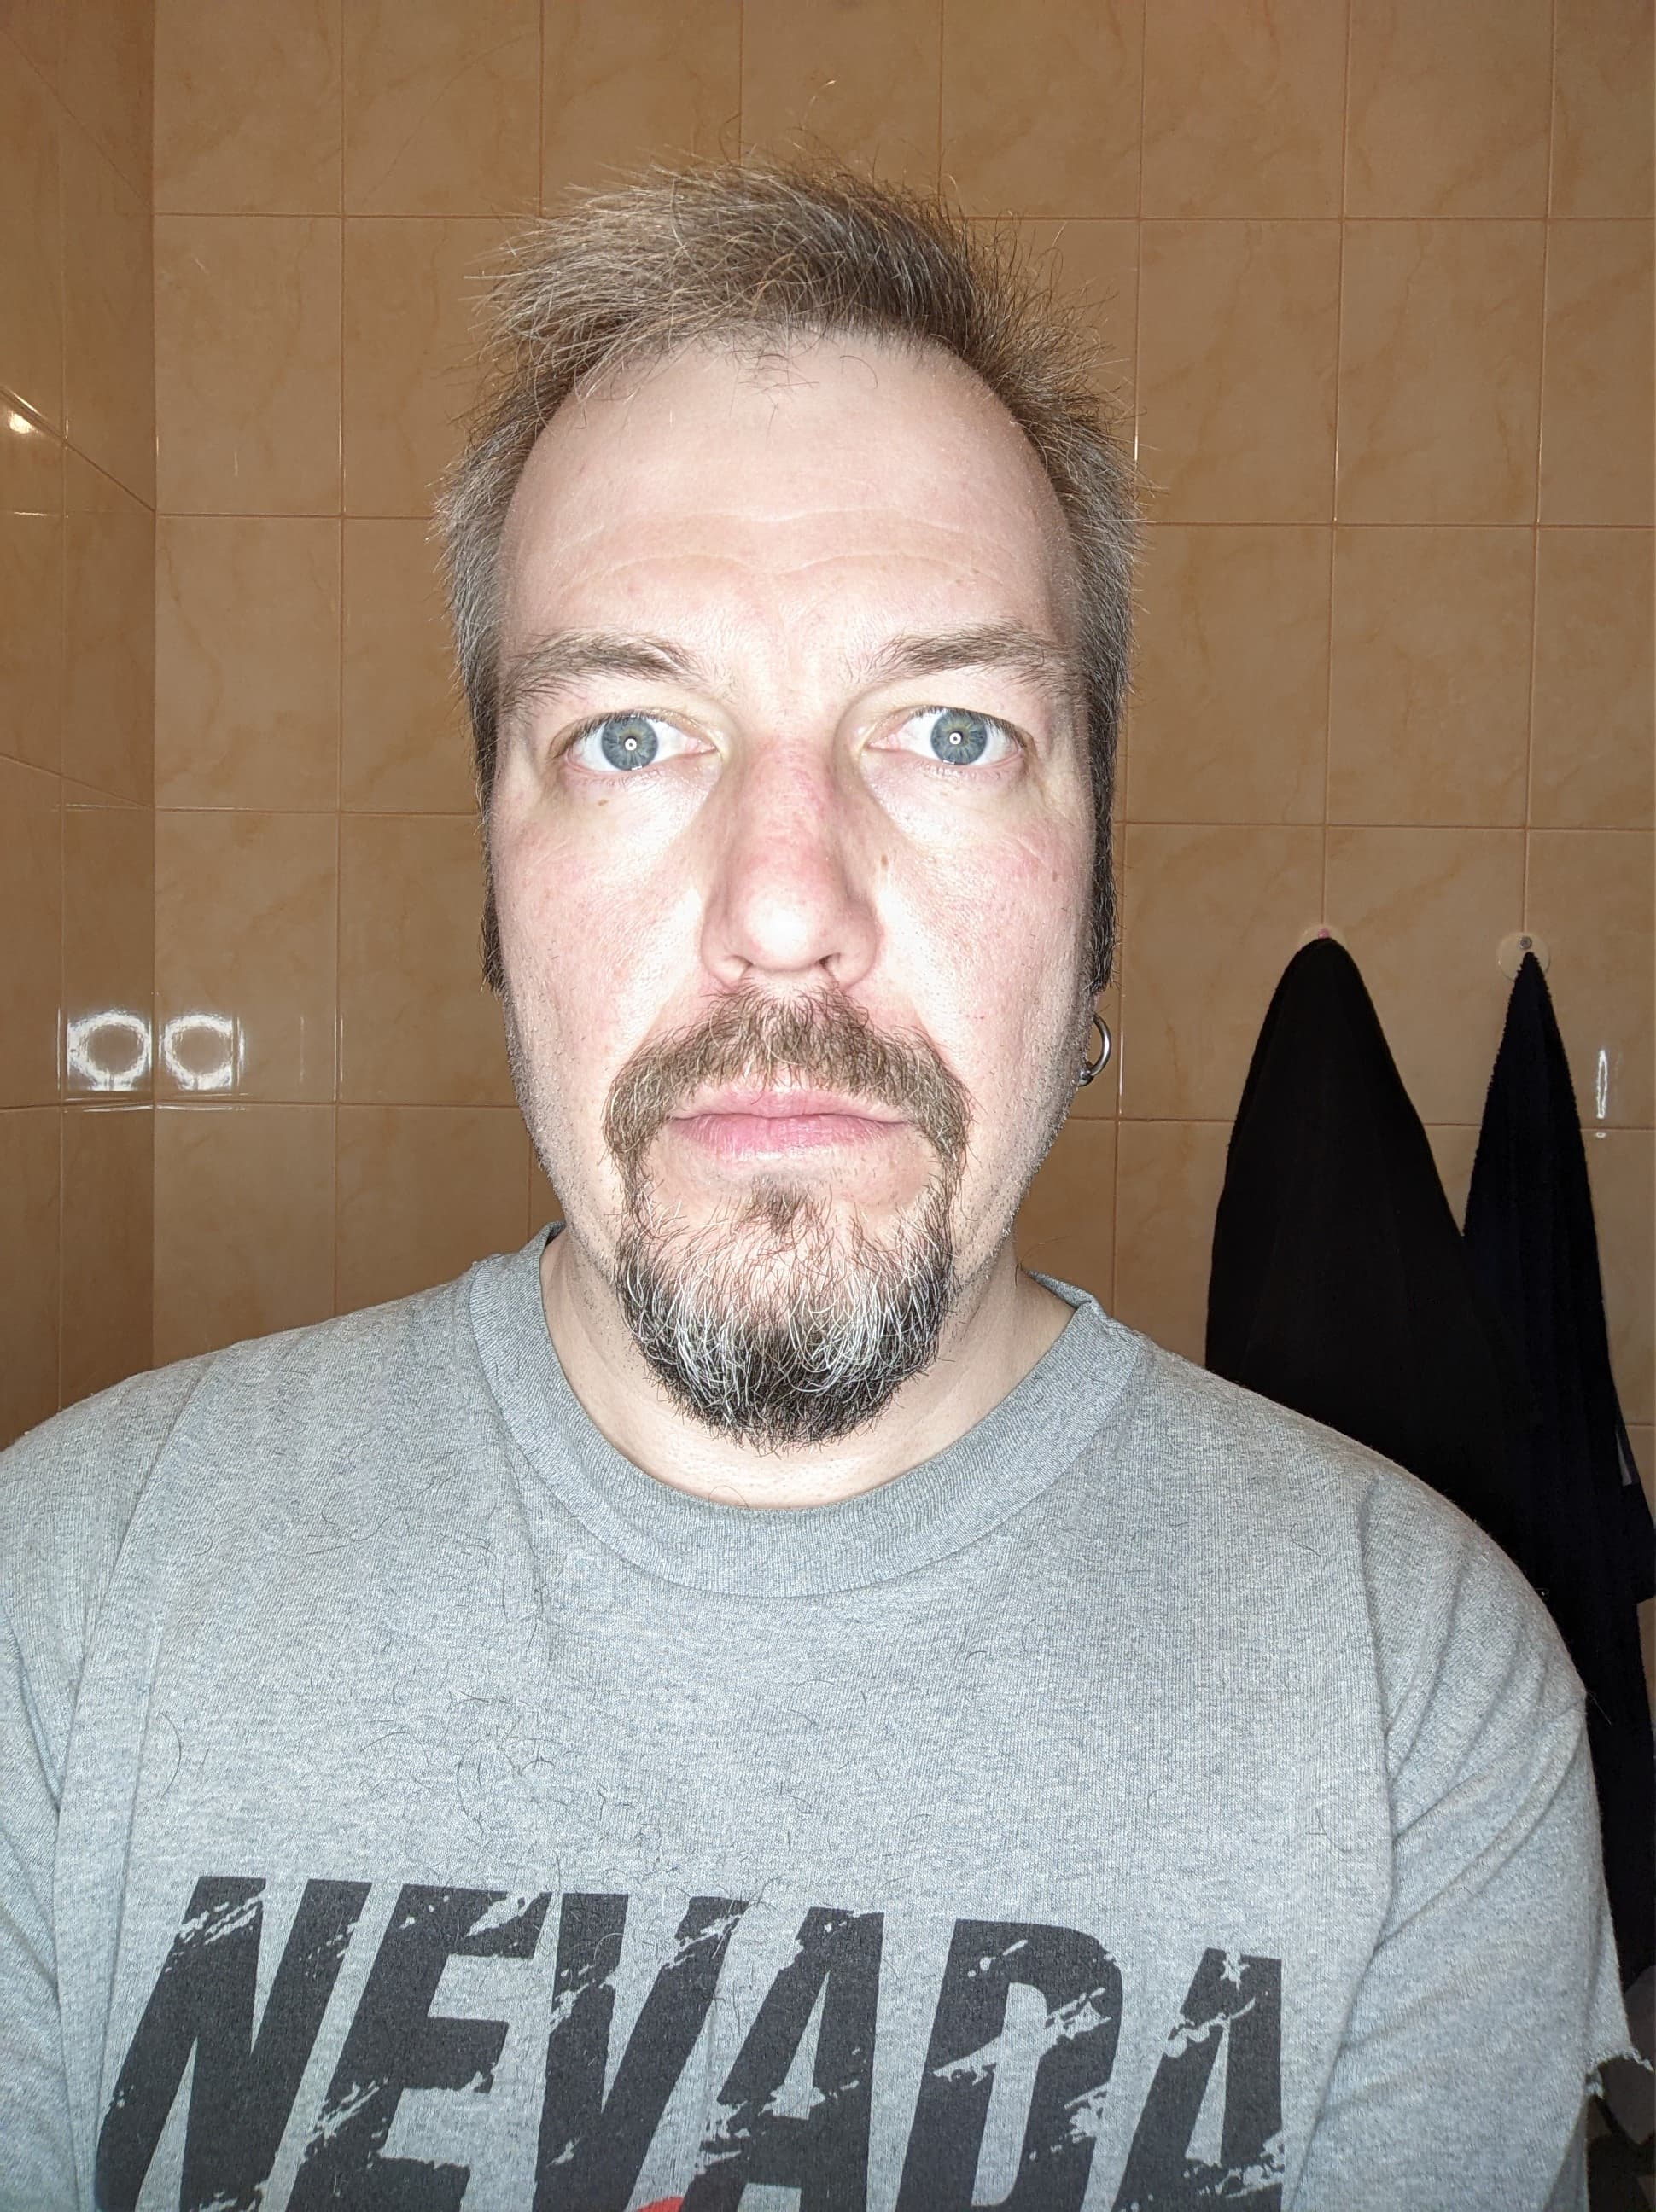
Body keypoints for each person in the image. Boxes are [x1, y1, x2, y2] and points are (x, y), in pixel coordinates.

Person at [0, 164, 1630, 2212]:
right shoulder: (69, 1612)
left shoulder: (1414, 1706)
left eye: (950, 731)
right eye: (628, 737)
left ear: (1097, 902)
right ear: (493, 888)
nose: (785, 912)